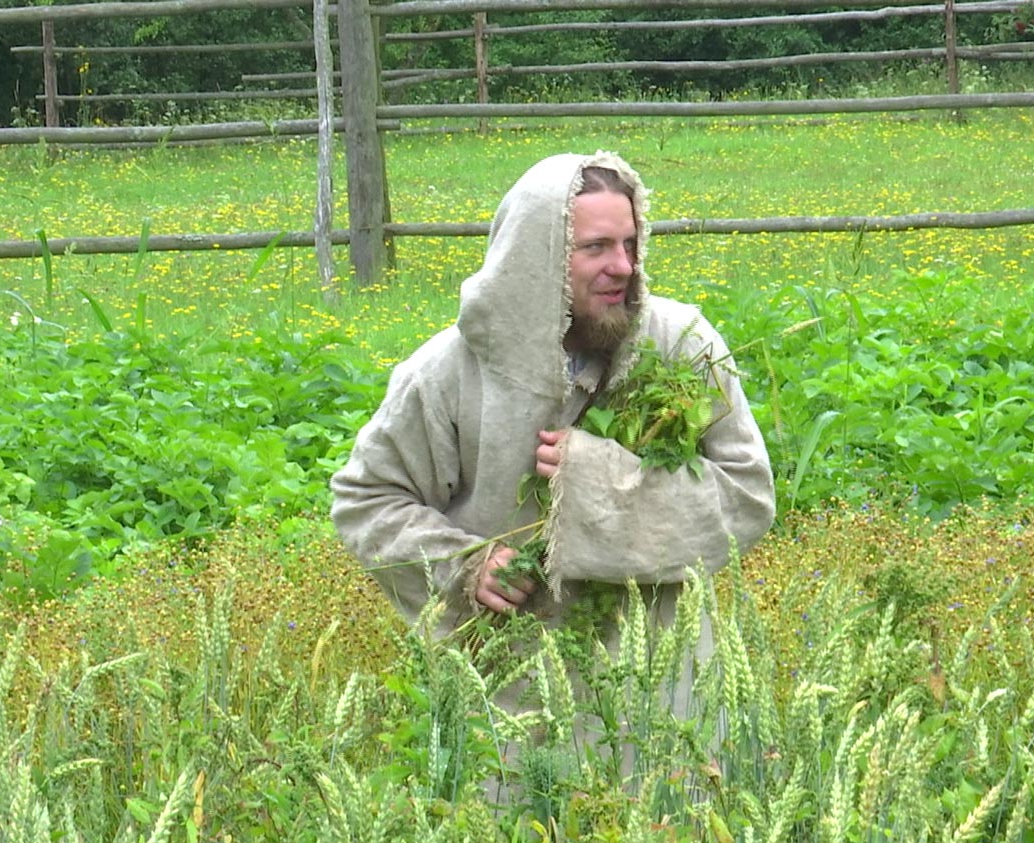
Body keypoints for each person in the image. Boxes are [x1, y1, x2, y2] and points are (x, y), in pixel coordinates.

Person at [330, 150, 775, 647]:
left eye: (630, 243)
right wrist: (462, 568)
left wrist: (602, 480)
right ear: (536, 255)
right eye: (597, 247)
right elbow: (368, 498)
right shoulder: (451, 370)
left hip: (658, 682)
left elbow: (748, 497)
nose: (623, 266)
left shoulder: (681, 344)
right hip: (510, 685)